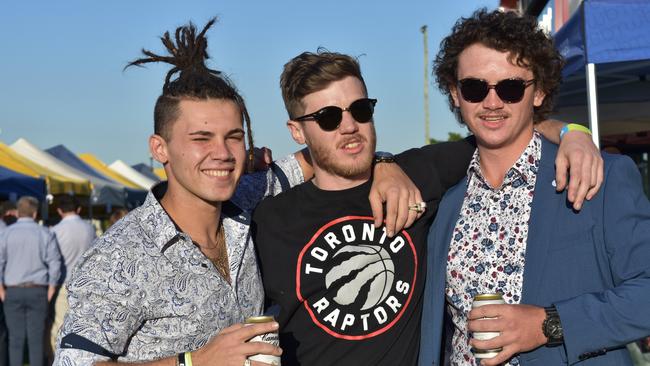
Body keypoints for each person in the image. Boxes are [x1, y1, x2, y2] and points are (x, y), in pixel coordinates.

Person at [53, 18, 415, 366]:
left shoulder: (247, 196)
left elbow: (328, 149)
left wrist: (384, 164)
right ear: (159, 148)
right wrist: (194, 362)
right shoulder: (119, 255)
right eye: (201, 138)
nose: (222, 154)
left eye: (233, 138)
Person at [251, 49, 601, 365]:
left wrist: (574, 133)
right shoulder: (269, 220)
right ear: (297, 131)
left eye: (360, 109)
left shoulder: (420, 172)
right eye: (328, 117)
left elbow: (510, 129)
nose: (349, 126)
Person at [419, 9, 650, 366]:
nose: (492, 102)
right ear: (455, 94)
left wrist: (550, 324)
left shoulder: (599, 178)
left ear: (538, 92)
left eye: (511, 88)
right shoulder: (447, 203)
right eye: (474, 88)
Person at [0, 196, 61, 366]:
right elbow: (54, 263)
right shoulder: (45, 233)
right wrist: (51, 288)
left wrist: (1, 289)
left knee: (15, 339)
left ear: (18, 212)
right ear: (35, 214)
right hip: (38, 290)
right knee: (36, 340)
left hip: (12, 290)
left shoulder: (6, 233)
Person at [48, 195, 96, 356]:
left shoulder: (54, 231)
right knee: (84, 327)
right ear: (79, 209)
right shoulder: (90, 229)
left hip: (63, 282)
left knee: (59, 325)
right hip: (86, 283)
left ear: (59, 210)